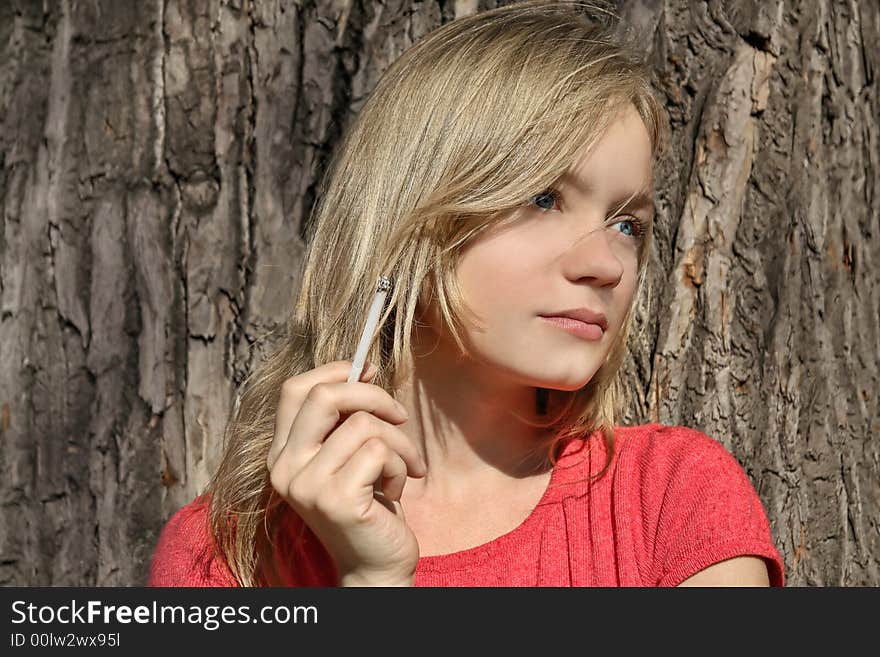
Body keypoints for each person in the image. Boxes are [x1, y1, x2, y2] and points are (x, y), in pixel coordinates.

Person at [148, 0, 785, 587]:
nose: (606, 264)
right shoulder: (223, 557)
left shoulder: (673, 503)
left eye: (627, 224)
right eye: (541, 198)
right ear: (410, 222)